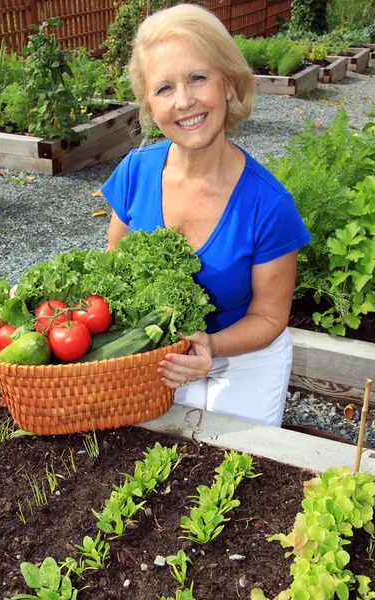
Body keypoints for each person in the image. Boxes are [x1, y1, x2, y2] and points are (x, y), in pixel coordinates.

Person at [101, 4, 311, 427]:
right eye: (164, 88)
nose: (184, 102)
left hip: (245, 358)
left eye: (198, 77)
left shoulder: (268, 204)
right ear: (148, 104)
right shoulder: (135, 173)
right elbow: (115, 274)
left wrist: (211, 346)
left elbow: (270, 318)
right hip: (158, 356)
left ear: (229, 84)